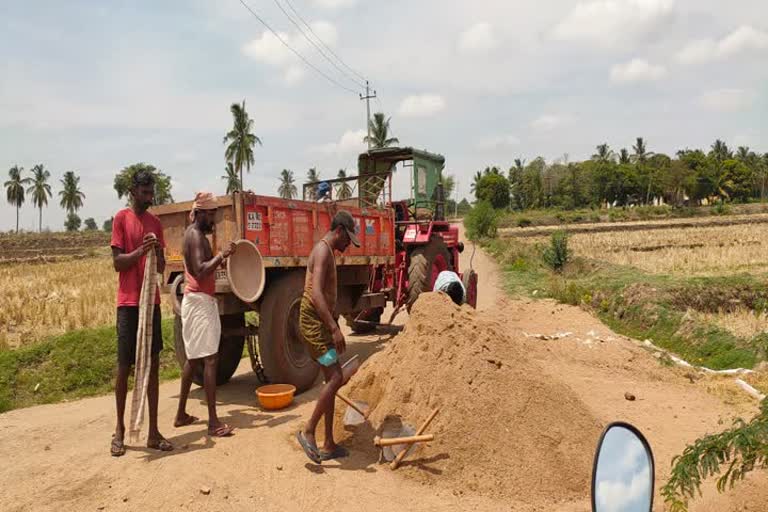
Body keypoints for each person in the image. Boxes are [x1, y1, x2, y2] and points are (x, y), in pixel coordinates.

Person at [109, 169, 173, 456]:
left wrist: (157, 252)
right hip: (128, 304)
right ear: (133, 191)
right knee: (125, 366)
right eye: (145, 193)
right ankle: (120, 430)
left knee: (153, 366)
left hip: (152, 303)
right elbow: (118, 263)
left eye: (152, 193)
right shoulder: (122, 219)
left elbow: (160, 268)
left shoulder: (155, 223)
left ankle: (153, 431)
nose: (149, 198)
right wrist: (140, 251)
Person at [296, 210, 360, 463]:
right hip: (314, 325)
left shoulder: (328, 252)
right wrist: (333, 327)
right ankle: (309, 430)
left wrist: (332, 324)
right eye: (349, 238)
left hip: (319, 324)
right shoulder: (323, 251)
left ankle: (329, 443)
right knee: (335, 376)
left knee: (330, 378)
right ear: (340, 231)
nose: (349, 244)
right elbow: (316, 296)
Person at [174, 192, 236, 438]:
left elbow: (202, 267)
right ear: (200, 213)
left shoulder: (195, 235)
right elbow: (200, 271)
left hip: (196, 301)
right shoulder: (195, 236)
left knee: (193, 358)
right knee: (210, 359)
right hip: (199, 302)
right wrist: (223, 255)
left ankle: (180, 414)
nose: (214, 218)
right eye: (211, 214)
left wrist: (219, 259)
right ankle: (213, 423)